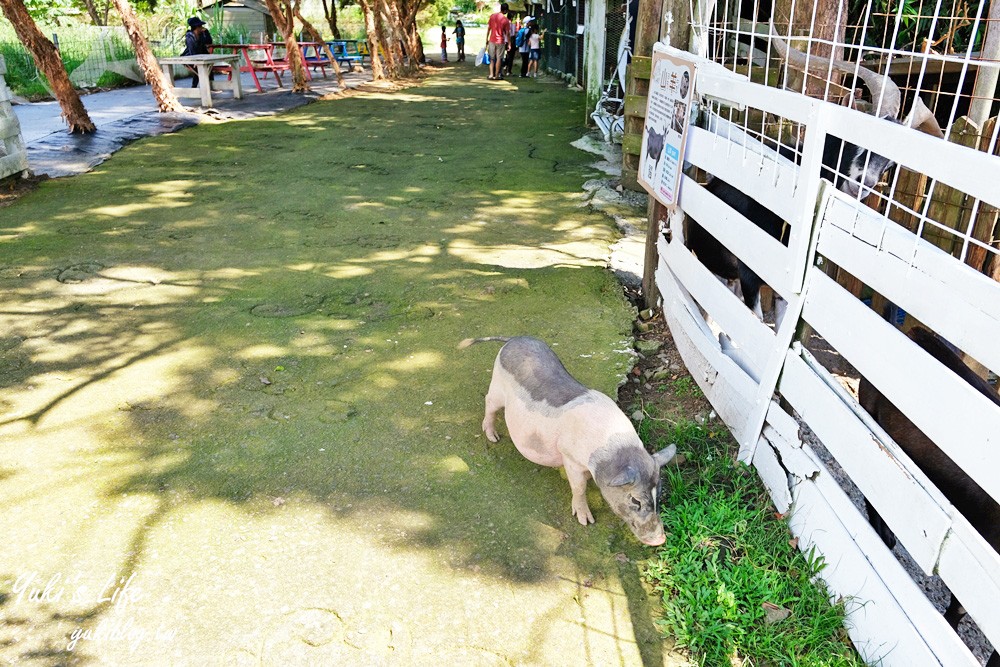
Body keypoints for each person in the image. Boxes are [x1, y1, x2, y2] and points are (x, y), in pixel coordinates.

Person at [181, 16, 213, 88]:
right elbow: (191, 49)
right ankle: (195, 86)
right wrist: (195, 60)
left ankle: (210, 85)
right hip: (190, 56)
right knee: (199, 68)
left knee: (209, 66)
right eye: (200, 26)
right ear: (196, 27)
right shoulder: (189, 36)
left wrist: (207, 32)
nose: (202, 27)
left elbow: (209, 41)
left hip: (201, 55)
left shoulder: (202, 34)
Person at [486, 2, 510, 80]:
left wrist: (486, 39)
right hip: (500, 41)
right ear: (506, 10)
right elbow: (507, 33)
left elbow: (489, 28)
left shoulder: (492, 16)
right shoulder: (505, 20)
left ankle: (491, 74)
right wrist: (509, 43)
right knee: (499, 58)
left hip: (492, 40)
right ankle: (496, 75)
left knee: (492, 58)